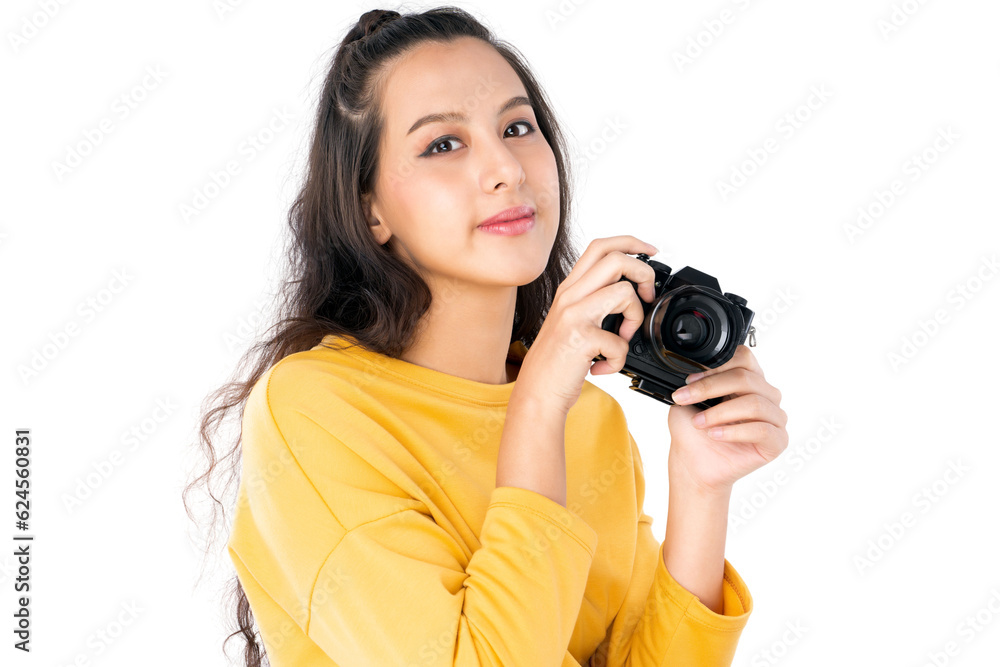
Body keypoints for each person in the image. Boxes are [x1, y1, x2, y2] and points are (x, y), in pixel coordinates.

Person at [184, 6, 788, 666]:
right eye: (443, 143)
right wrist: (536, 406)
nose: (506, 165)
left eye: (518, 126)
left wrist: (702, 488)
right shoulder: (314, 411)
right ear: (370, 209)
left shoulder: (590, 422)